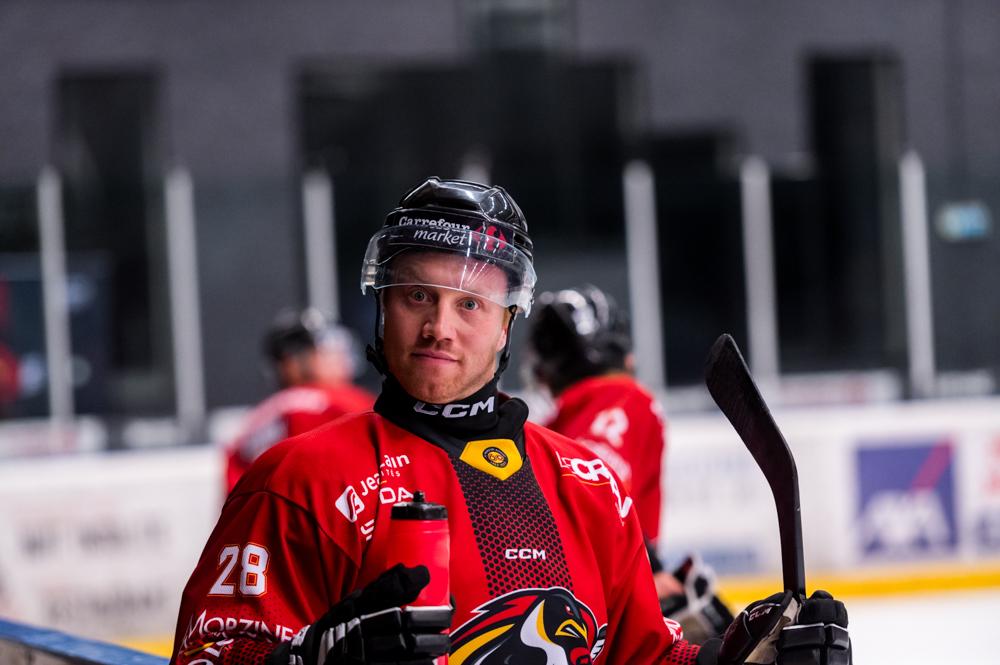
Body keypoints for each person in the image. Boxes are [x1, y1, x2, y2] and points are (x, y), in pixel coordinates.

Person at [171, 177, 851, 665]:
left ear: (507, 324)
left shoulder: (588, 483)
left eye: (469, 304)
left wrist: (738, 658)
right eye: (417, 295)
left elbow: (644, 656)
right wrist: (308, 657)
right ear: (382, 305)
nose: (439, 326)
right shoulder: (298, 480)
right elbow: (206, 654)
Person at [223, 307, 375, 492]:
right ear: (291, 362)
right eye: (325, 349)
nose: (339, 357)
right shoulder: (312, 406)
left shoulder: (265, 413)